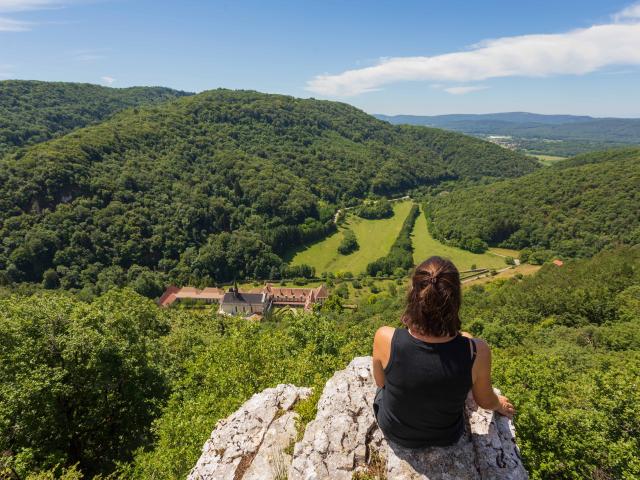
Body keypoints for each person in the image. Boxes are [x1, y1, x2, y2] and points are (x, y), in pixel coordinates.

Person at [372, 256, 515, 448]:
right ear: (455, 300)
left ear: (414, 296)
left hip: (395, 430)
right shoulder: (476, 351)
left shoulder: (385, 337)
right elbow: (484, 400)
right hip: (446, 435)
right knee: (466, 337)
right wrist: (500, 404)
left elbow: (381, 383)